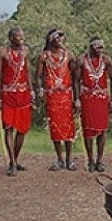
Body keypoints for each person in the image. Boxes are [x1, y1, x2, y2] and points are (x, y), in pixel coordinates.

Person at [35, 28, 79, 171]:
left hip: (66, 96)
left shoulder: (69, 55)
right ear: (50, 40)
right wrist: (40, 90)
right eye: (57, 37)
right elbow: (38, 76)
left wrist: (77, 98)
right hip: (52, 97)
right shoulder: (44, 57)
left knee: (68, 128)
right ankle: (59, 159)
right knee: (55, 128)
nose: (60, 39)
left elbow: (76, 76)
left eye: (62, 36)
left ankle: (69, 159)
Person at [0, 27, 35, 176]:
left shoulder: (25, 51)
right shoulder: (2, 52)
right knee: (8, 128)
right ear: (11, 38)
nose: (22, 40)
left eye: (22, 37)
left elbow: (28, 72)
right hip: (7, 95)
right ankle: (11, 162)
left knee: (22, 129)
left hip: (23, 94)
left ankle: (15, 159)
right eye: (19, 38)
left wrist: (31, 91)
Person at [76, 36, 112, 172]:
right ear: (91, 47)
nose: (100, 50)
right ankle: (90, 160)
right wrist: (76, 99)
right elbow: (76, 80)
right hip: (87, 99)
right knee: (88, 130)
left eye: (102, 47)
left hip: (102, 98)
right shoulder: (81, 60)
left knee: (102, 130)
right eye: (98, 47)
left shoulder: (106, 60)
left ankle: (100, 160)